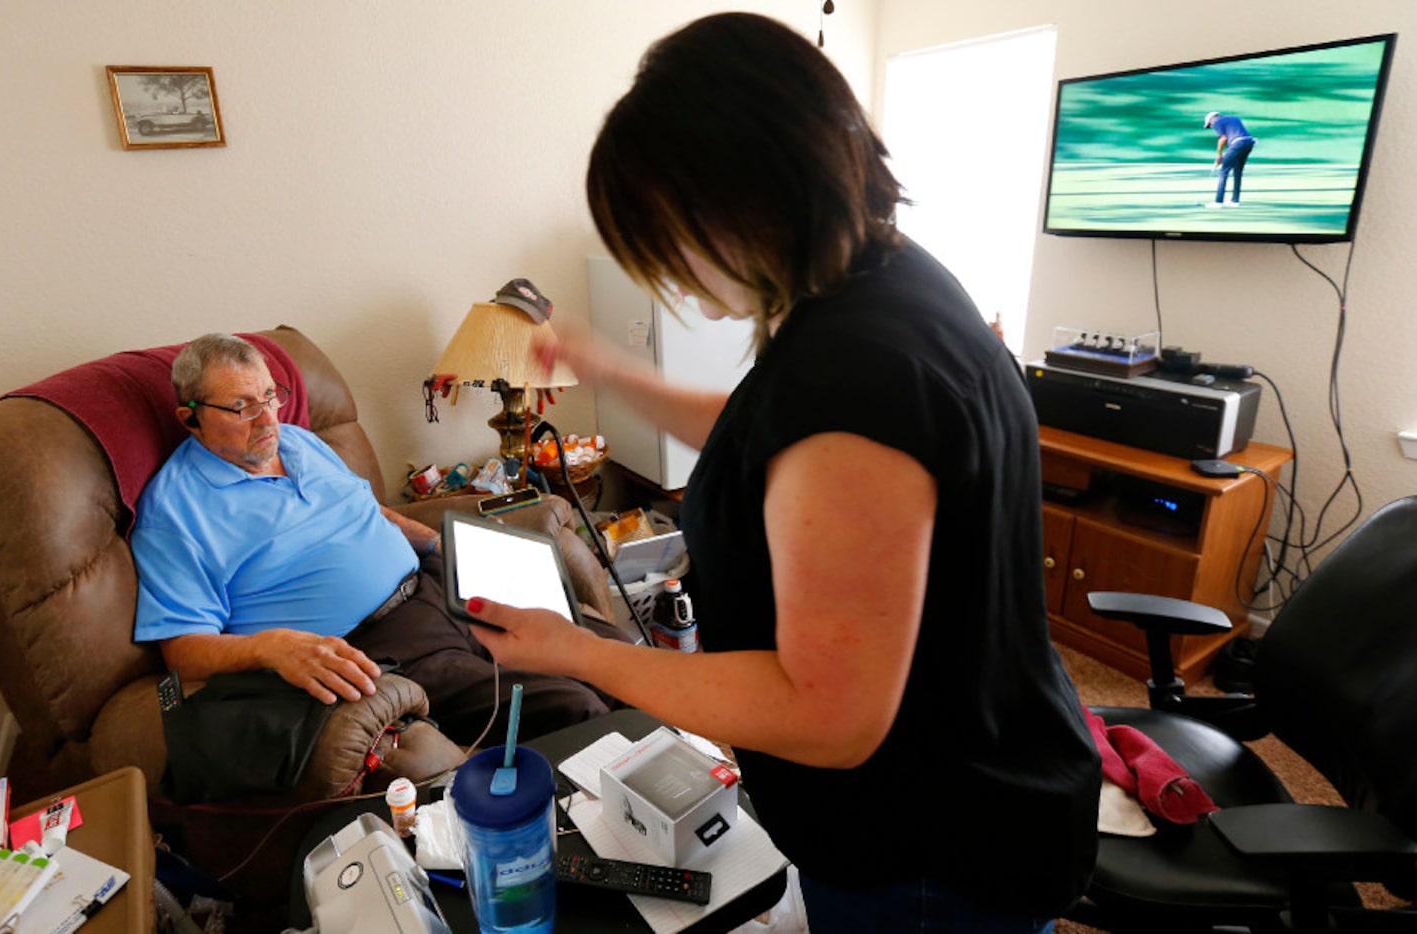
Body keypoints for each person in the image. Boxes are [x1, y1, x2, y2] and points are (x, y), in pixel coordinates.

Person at [462, 13, 1100, 933]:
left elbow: (827, 714)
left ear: (746, 200)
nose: (675, 280)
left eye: (670, 243)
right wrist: (607, 370)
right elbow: (773, 438)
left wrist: (576, 652)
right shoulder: (882, 281)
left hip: (932, 847)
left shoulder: (856, 370)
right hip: (983, 761)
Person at [130, 332, 619, 746]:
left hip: (437, 586)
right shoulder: (175, 512)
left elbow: (368, 510)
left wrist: (439, 545)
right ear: (188, 417)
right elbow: (181, 651)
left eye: (269, 397)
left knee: (612, 658)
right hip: (380, 647)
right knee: (575, 709)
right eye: (240, 407)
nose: (266, 420)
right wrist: (269, 647)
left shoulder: (298, 441)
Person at [1205, 110, 1257, 206]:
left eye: (1209, 124)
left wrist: (1219, 154)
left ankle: (1218, 202)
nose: (1211, 126)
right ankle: (1235, 200)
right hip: (1249, 142)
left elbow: (1223, 138)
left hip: (1238, 143)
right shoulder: (1234, 118)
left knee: (1223, 171)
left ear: (1213, 119)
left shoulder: (1218, 122)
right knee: (1237, 171)